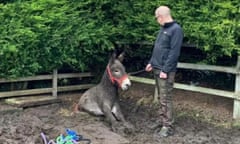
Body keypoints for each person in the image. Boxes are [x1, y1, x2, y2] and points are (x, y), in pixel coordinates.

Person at [145, 6, 183, 137]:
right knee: (161, 97)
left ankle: (168, 126)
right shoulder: (163, 29)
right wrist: (151, 62)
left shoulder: (176, 30)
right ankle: (162, 121)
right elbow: (158, 48)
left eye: (157, 18)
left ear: (161, 16)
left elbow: (174, 52)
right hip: (156, 67)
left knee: (165, 99)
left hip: (165, 71)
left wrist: (165, 70)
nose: (157, 21)